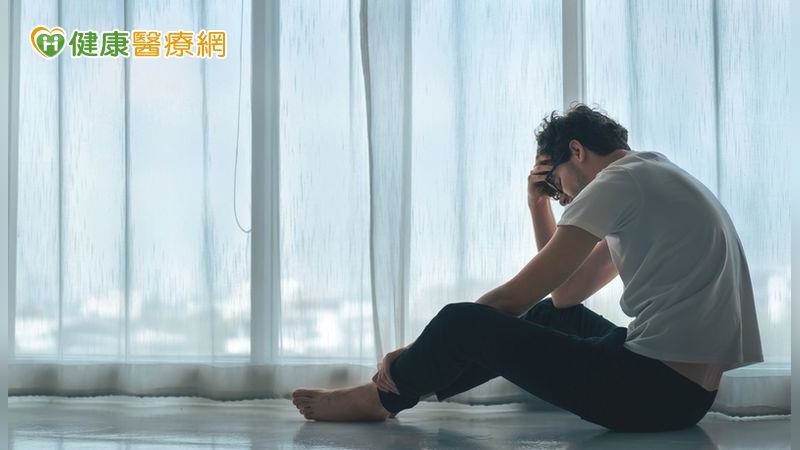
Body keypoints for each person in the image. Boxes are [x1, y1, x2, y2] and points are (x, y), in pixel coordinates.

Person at [291, 103, 763, 432]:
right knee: (554, 317)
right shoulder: (654, 176)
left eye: (557, 185)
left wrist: (412, 349)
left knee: (462, 320)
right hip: (689, 397)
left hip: (651, 391)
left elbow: (514, 297)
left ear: (576, 151)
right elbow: (566, 294)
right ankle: (408, 384)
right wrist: (538, 205)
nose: (565, 198)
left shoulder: (617, 183)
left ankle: (382, 394)